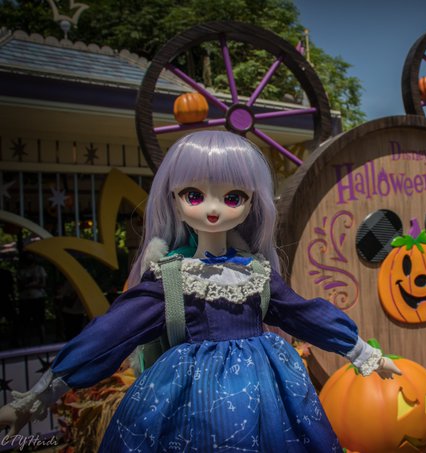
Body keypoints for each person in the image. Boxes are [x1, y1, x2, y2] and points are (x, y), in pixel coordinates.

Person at [0, 131, 400, 451]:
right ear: (175, 202)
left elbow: (303, 313)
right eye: (194, 195)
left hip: (264, 391)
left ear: (251, 204)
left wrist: (361, 351)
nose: (213, 208)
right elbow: (114, 331)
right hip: (189, 392)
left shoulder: (256, 272)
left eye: (232, 197)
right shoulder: (172, 277)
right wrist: (39, 395)